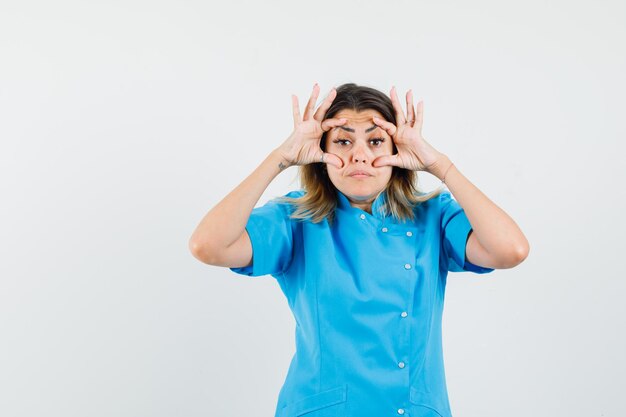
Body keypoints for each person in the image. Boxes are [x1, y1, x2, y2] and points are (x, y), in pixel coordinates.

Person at [188, 82, 530, 417]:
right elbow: (209, 245)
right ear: (321, 154)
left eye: (376, 140)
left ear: (396, 152)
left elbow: (510, 250)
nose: (359, 155)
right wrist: (282, 157)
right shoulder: (296, 220)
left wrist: (440, 165)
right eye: (343, 141)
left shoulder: (434, 216)